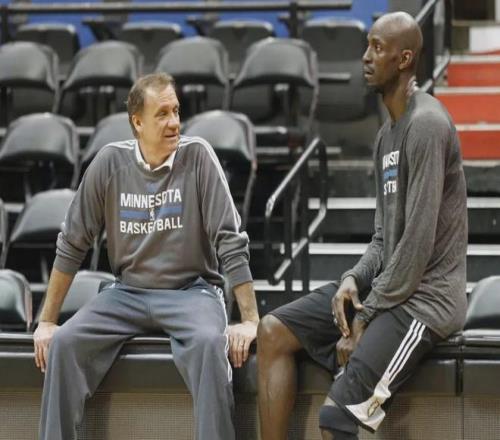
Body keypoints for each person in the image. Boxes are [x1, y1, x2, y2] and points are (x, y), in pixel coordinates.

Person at [257, 11, 467, 440]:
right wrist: (353, 279)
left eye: (377, 47)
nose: (366, 57)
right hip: (392, 290)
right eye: (367, 46)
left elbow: (415, 246)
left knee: (336, 419)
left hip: (426, 302)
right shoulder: (386, 135)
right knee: (272, 331)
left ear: (404, 59)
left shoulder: (426, 124)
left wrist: (365, 317)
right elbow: (383, 238)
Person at [33, 72, 259, 440]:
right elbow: (72, 242)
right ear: (137, 122)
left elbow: (230, 241)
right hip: (127, 293)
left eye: (176, 111)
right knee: (63, 344)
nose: (174, 123)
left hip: (191, 292)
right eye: (162, 114)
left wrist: (249, 320)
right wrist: (47, 321)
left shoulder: (198, 156)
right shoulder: (109, 163)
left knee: (209, 345)